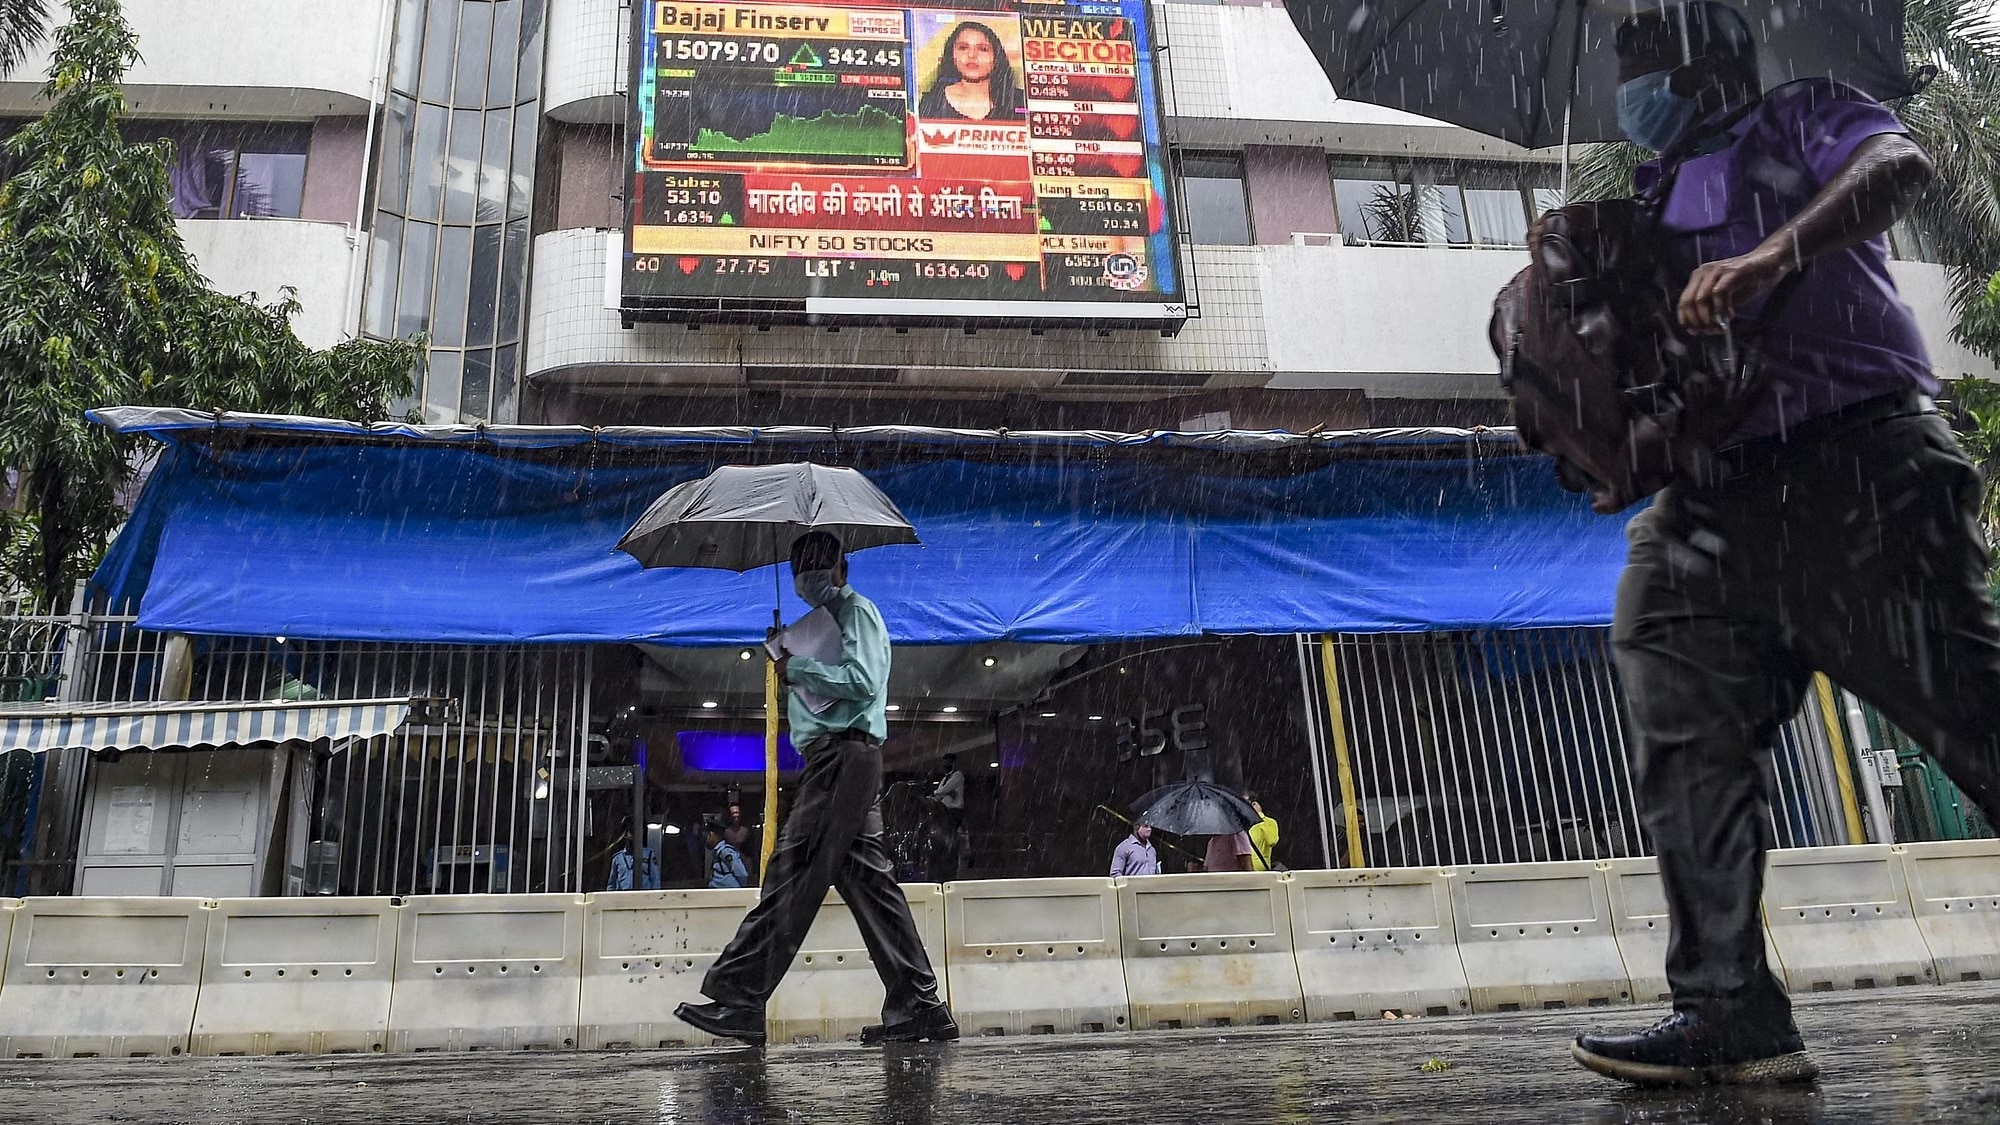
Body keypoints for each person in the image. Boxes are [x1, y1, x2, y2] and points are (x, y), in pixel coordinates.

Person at [1571, 2, 2000, 1088]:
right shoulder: (1648, 199)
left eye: (1642, 61)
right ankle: (1726, 1009)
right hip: (1719, 498)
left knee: (1972, 715)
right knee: (1669, 676)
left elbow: (1896, 166)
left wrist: (1771, 252)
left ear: (1702, 59)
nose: (1631, 88)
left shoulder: (1803, 113)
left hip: (1863, 465)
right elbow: (1670, 371)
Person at [675, 532, 957, 1047]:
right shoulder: (817, 625)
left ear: (842, 570)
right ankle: (919, 1006)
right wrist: (790, 648)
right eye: (800, 568)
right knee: (871, 888)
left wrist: (798, 664)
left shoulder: (858, 614)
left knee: (791, 871)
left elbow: (864, 680)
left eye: (818, 566)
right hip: (840, 761)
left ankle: (739, 997)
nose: (809, 577)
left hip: (844, 760)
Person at [917, 22, 1024, 122]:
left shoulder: (1019, 102)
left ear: (996, 57)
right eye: (963, 48)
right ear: (952, 55)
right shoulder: (932, 102)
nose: (971, 55)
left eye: (982, 49)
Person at [926, 753, 966, 883]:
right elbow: (940, 794)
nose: (945, 765)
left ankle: (951, 863)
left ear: (953, 762)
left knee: (949, 839)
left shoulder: (957, 775)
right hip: (944, 811)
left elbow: (943, 790)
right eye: (944, 762)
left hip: (954, 811)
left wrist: (937, 793)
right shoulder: (944, 778)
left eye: (947, 762)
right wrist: (932, 797)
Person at [706, 822, 749, 889]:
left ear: (711, 834)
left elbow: (742, 874)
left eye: (707, 835)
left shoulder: (725, 852)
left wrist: (739, 891)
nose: (706, 839)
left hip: (728, 893)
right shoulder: (716, 852)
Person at [1245, 792, 1280, 873]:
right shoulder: (1242, 824)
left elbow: (1272, 841)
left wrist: (1260, 816)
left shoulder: (1269, 822)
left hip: (1262, 872)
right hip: (1245, 872)